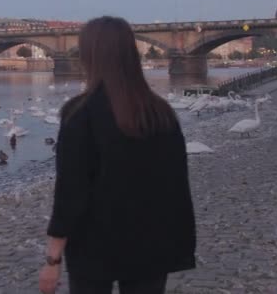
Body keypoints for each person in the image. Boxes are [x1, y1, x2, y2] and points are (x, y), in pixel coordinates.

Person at [39, 16, 196, 294]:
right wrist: (178, 243)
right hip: (151, 242)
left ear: (90, 55)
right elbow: (175, 185)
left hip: (93, 245)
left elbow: (71, 191)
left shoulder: (80, 113)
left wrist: (53, 258)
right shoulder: (161, 112)